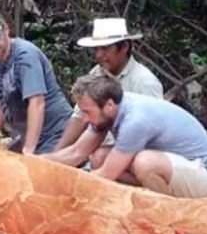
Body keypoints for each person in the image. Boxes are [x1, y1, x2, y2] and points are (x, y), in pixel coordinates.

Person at [42, 73, 207, 198]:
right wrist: (35, 162)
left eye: (88, 112)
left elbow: (106, 174)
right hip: (173, 166)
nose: (85, 119)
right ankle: (143, 198)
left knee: (144, 162)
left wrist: (66, 187)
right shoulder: (107, 112)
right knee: (99, 157)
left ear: (109, 106)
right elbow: (76, 153)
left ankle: (166, 209)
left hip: (203, 174)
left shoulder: (135, 120)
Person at [54, 18, 163, 167]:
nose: (99, 55)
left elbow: (151, 134)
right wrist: (57, 154)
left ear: (124, 47)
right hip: (97, 151)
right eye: (97, 49)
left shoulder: (144, 82)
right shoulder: (96, 73)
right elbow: (79, 117)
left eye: (105, 48)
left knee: (99, 158)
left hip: (137, 156)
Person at [0, 8, 72, 154]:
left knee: (39, 172)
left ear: (6, 29)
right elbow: (0, 102)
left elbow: (37, 102)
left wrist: (29, 150)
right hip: (25, 135)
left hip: (55, 132)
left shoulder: (25, 55)